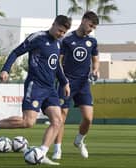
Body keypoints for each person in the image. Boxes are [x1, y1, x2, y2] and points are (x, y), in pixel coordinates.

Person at [0, 15, 71, 165]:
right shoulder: (37, 37)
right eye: (60, 31)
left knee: (57, 121)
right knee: (28, 122)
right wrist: (6, 69)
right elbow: (16, 52)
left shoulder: (58, 44)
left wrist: (64, 82)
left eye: (64, 32)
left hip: (50, 88)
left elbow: (56, 65)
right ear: (53, 24)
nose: (61, 34)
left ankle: (41, 153)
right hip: (36, 85)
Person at [52, 11, 100, 160]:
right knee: (61, 117)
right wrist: (62, 79)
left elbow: (95, 60)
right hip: (67, 83)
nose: (91, 29)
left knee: (88, 118)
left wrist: (96, 70)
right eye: (91, 25)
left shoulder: (92, 42)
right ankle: (57, 150)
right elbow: (59, 61)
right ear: (84, 20)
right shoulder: (67, 40)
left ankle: (79, 141)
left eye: (94, 27)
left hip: (83, 84)